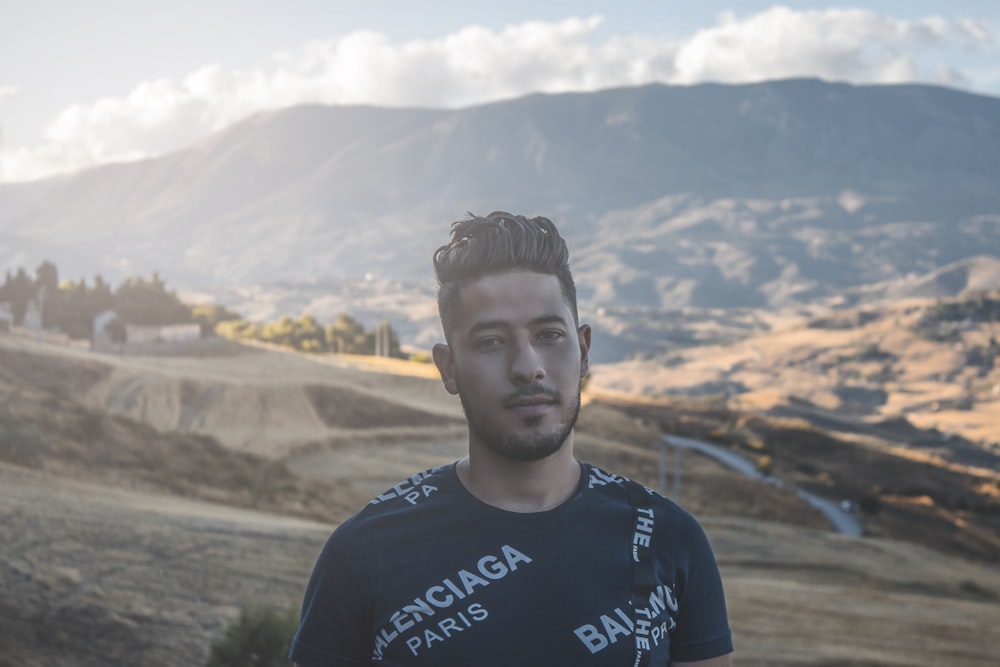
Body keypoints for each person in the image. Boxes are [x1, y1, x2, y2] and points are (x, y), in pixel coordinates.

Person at [290, 212, 734, 666]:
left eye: (549, 335)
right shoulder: (363, 553)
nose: (528, 366)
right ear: (448, 368)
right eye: (490, 342)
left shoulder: (669, 539)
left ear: (582, 351)